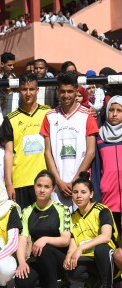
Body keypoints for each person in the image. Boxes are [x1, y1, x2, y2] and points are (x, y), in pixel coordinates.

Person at [40, 72, 99, 211]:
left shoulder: (87, 116)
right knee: (60, 229)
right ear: (57, 92)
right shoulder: (49, 116)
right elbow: (47, 152)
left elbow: (91, 152)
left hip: (80, 184)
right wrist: (58, 182)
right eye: (62, 91)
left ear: (76, 91)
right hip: (57, 186)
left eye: (70, 91)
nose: (66, 95)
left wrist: (75, 182)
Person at [15, 170, 71, 288]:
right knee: (22, 281)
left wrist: (45, 239)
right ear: (34, 186)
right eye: (39, 185)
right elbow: (22, 239)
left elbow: (66, 240)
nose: (42, 190)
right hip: (39, 257)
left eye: (47, 187)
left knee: (44, 247)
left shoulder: (62, 209)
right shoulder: (27, 211)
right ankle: (48, 284)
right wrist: (22, 262)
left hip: (60, 259)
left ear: (53, 189)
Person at [63, 172, 120, 288]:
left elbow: (106, 236)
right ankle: (94, 283)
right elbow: (73, 242)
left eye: (83, 192)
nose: (79, 196)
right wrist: (69, 256)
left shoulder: (102, 210)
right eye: (75, 192)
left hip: (109, 260)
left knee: (100, 248)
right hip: (89, 259)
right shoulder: (72, 217)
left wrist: (81, 248)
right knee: (71, 270)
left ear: (91, 194)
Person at [1, 72, 50, 208]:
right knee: (22, 226)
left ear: (37, 90)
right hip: (20, 181)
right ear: (19, 91)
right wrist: (9, 183)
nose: (28, 93)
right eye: (24, 89)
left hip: (43, 181)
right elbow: (8, 154)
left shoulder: (48, 113)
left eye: (32, 89)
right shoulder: (10, 119)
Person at [92, 96, 122, 235]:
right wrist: (98, 192)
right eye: (111, 110)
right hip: (107, 196)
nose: (114, 114)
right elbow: (96, 169)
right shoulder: (99, 137)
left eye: (119, 110)